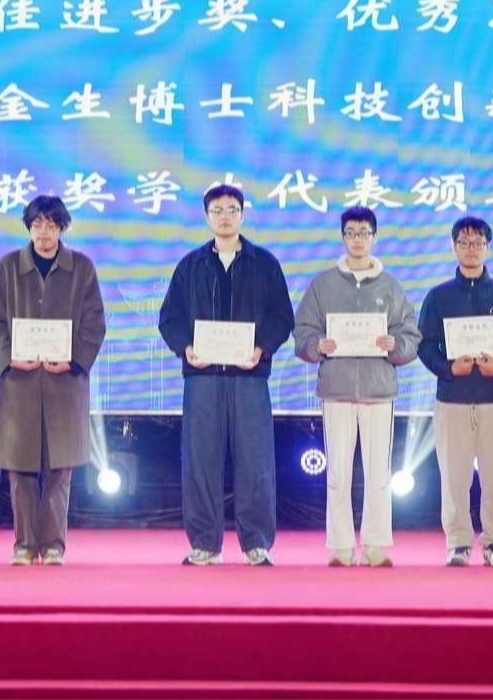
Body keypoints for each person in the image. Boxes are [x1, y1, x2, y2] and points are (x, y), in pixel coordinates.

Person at [157, 185, 296, 567]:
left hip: (250, 378)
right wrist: (185, 347)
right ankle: (205, 543)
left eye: (232, 209)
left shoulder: (264, 264)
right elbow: (169, 318)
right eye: (217, 210)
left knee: (256, 462)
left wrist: (262, 347)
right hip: (202, 379)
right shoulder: (191, 265)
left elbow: (282, 316)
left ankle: (257, 544)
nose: (224, 216)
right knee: (201, 461)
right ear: (206, 217)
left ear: (242, 215)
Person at [0, 196, 107, 566]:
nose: (43, 232)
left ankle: (53, 545)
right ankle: (24, 544)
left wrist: (74, 360)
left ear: (62, 228)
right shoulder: (8, 267)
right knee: (20, 468)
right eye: (37, 225)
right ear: (29, 228)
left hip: (64, 384)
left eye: (51, 225)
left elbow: (95, 323)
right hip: (19, 384)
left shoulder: (82, 268)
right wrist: (8, 357)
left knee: (59, 469)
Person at [293, 206, 421, 568]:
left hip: (379, 390)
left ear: (375, 237)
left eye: (364, 233)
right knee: (338, 471)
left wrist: (395, 345)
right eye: (351, 233)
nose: (358, 239)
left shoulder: (390, 286)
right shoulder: (323, 285)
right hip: (336, 388)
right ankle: (341, 546)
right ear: (342, 237)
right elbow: (302, 331)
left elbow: (411, 335)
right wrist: (317, 345)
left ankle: (376, 545)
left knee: (379, 471)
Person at [415, 216, 493, 568]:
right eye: (464, 243)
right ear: (453, 247)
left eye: (478, 243)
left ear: (488, 248)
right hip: (452, 397)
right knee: (454, 476)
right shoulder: (438, 297)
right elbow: (424, 345)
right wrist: (449, 368)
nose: (471, 249)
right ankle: (458, 543)